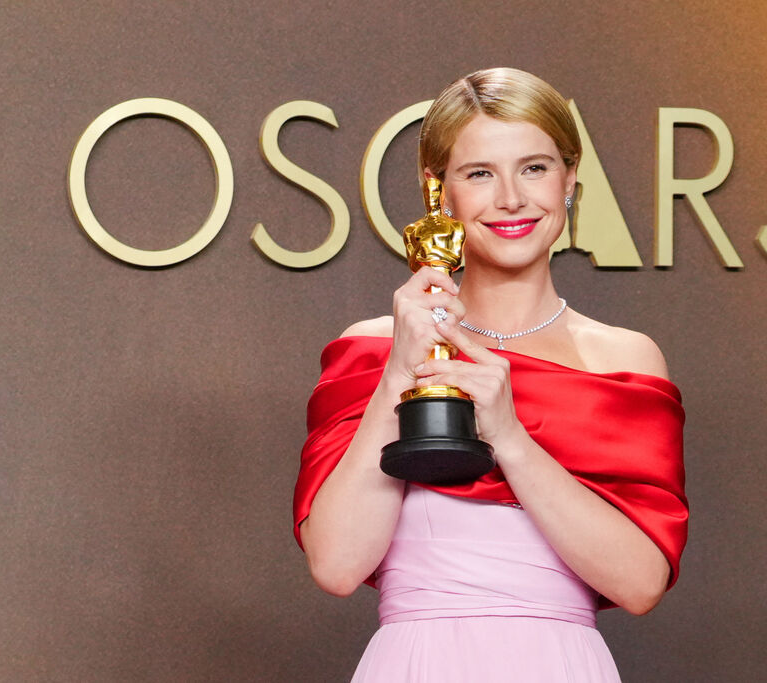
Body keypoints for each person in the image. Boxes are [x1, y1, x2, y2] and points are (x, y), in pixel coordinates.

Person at [293, 67, 687, 682]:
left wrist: (510, 436)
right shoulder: (369, 350)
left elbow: (640, 584)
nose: (511, 199)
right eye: (480, 173)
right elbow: (337, 566)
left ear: (570, 180)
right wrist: (400, 372)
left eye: (534, 168)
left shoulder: (622, 360)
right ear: (439, 192)